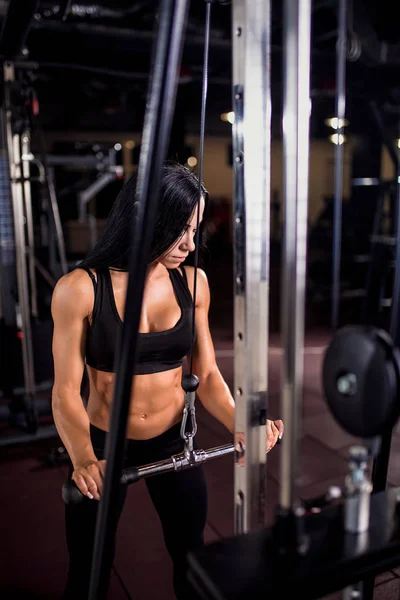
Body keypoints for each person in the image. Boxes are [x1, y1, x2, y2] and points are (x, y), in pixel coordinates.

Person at [51, 162, 284, 599]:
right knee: (88, 568)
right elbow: (66, 391)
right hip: (104, 445)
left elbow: (208, 374)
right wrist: (83, 458)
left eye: (195, 230)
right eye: (180, 229)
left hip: (175, 440)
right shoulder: (80, 289)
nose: (189, 244)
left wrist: (241, 423)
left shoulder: (193, 283)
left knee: (190, 556)